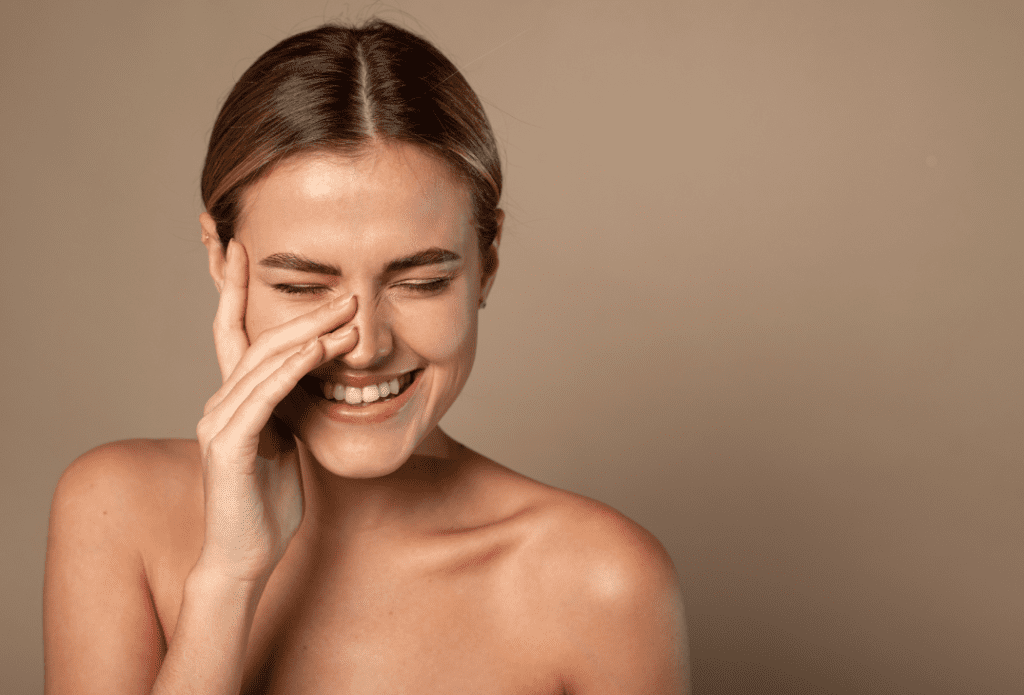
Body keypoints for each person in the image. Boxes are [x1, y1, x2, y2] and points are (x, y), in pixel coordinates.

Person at [43, 19, 688, 694]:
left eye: (420, 282)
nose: (366, 345)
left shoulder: (601, 580)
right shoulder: (115, 511)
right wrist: (228, 579)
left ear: (486, 261)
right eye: (302, 286)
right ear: (220, 259)